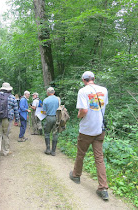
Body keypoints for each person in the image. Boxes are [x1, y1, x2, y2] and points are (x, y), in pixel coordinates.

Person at [69, 71, 109, 201]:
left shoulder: (83, 91)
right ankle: (103, 188)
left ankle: (76, 175)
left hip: (87, 129)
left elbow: (84, 110)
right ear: (93, 79)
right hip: (100, 129)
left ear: (83, 80)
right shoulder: (104, 90)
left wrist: (78, 116)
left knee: (81, 153)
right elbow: (103, 107)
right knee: (99, 158)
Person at [42, 87, 60, 156]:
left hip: (49, 117)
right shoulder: (58, 99)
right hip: (57, 117)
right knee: (55, 133)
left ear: (47, 93)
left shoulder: (45, 100)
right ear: (54, 92)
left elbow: (44, 112)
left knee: (47, 133)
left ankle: (48, 149)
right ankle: (53, 151)